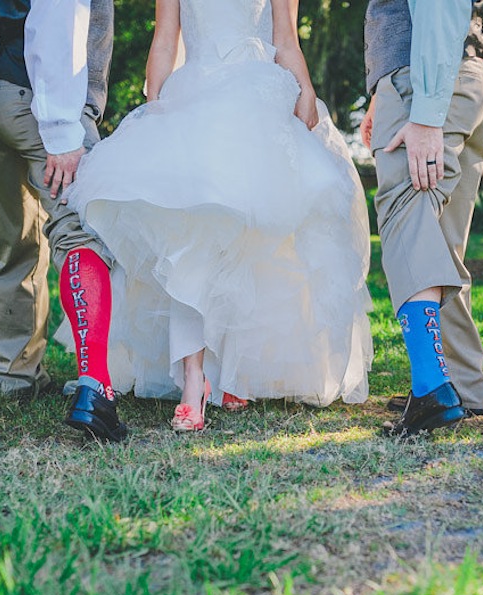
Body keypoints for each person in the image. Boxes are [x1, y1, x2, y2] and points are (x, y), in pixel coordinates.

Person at [65, 0, 373, 432]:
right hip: (196, 96)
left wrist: (304, 90)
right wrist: (155, 103)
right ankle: (194, 377)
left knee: (255, 234)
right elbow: (165, 39)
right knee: (191, 237)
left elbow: (285, 40)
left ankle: (234, 371)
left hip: (260, 94)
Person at [0, 0, 126, 442]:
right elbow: (59, 18)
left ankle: (13, 374)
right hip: (39, 96)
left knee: (15, 232)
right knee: (84, 229)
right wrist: (63, 130)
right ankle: (95, 387)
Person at [362, 0, 483, 437]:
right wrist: (383, 92)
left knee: (406, 214)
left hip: (428, 79)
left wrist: (424, 115)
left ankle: (433, 388)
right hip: (464, 73)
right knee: (441, 238)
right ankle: (462, 385)